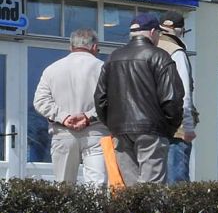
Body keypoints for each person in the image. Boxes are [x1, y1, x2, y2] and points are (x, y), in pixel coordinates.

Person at [93, 13, 184, 185]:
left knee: (131, 189)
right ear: (152, 32)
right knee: (152, 187)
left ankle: (135, 206)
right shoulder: (160, 56)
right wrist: (170, 128)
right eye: (159, 33)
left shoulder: (113, 58)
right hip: (152, 129)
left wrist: (111, 124)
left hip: (120, 130)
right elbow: (172, 98)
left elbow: (100, 98)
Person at [32, 29, 108, 185]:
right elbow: (113, 100)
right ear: (94, 47)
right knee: (98, 184)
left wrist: (64, 117)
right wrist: (88, 117)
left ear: (71, 46)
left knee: (64, 186)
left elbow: (40, 101)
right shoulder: (104, 69)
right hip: (96, 132)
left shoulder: (52, 69)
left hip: (63, 132)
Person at [156, 12, 196, 184]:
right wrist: (187, 126)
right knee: (176, 182)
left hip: (148, 125)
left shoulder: (147, 49)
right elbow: (183, 93)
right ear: (180, 31)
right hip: (174, 126)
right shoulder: (176, 52)